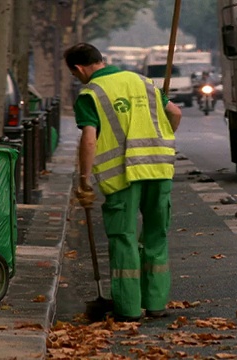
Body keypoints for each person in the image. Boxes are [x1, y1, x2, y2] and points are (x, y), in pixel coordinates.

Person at [63, 43, 182, 322]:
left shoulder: (90, 94)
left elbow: (89, 139)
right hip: (159, 169)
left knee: (123, 239)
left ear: (79, 69)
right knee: (156, 235)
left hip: (122, 176)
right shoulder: (142, 81)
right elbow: (174, 113)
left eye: (74, 74)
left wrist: (84, 179)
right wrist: (162, 139)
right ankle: (155, 303)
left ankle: (128, 309)